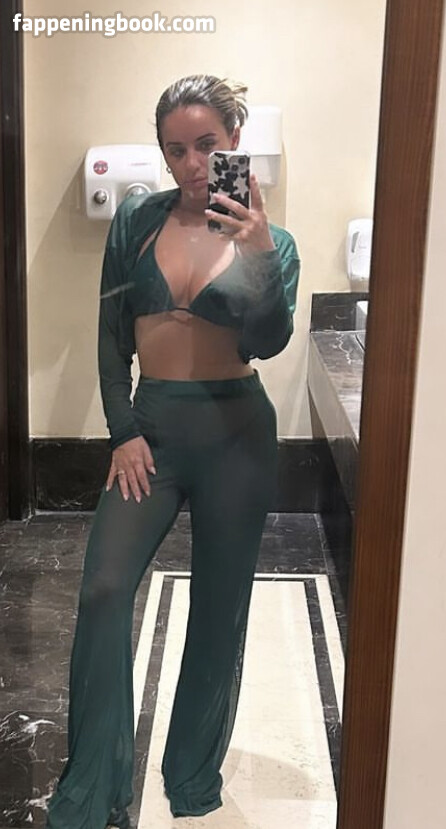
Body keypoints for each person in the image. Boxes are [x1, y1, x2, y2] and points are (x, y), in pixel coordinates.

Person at [45, 74, 300, 829]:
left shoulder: (274, 241)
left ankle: (191, 777)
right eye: (175, 150)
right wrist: (122, 429)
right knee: (103, 589)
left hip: (237, 437)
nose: (192, 164)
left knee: (219, 607)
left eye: (207, 146)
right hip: (151, 431)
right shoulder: (135, 220)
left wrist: (257, 252)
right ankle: (93, 783)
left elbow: (267, 341)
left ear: (235, 141)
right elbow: (110, 337)